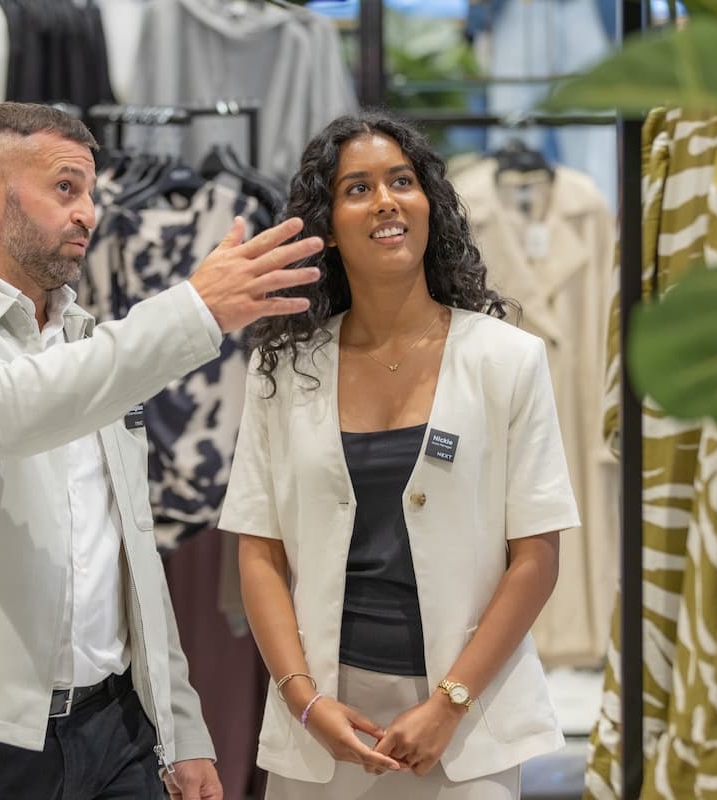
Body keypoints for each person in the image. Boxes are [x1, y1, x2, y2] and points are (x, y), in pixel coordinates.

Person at [0, 101, 323, 800]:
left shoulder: (84, 341)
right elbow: (6, 410)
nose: (90, 213)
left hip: (115, 730)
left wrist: (180, 726)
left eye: (91, 192)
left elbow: (130, 548)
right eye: (66, 188)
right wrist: (194, 310)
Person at [218, 111, 581, 799]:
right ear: (327, 223)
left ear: (429, 204)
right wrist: (305, 701)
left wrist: (448, 705)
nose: (385, 201)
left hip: (464, 725)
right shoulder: (283, 367)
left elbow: (536, 556)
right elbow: (259, 552)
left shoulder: (507, 360)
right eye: (358, 188)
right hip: (323, 726)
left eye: (401, 181)